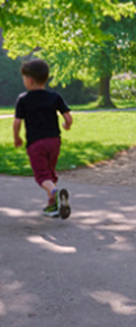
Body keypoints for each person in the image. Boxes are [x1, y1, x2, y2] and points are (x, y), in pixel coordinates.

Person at [13, 59, 73, 219]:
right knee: (50, 172)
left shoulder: (23, 99)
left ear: (30, 80)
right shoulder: (55, 96)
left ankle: (55, 192)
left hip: (36, 143)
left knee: (42, 175)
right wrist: (67, 125)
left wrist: (17, 137)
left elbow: (17, 122)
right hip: (54, 141)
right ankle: (52, 206)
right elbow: (68, 116)